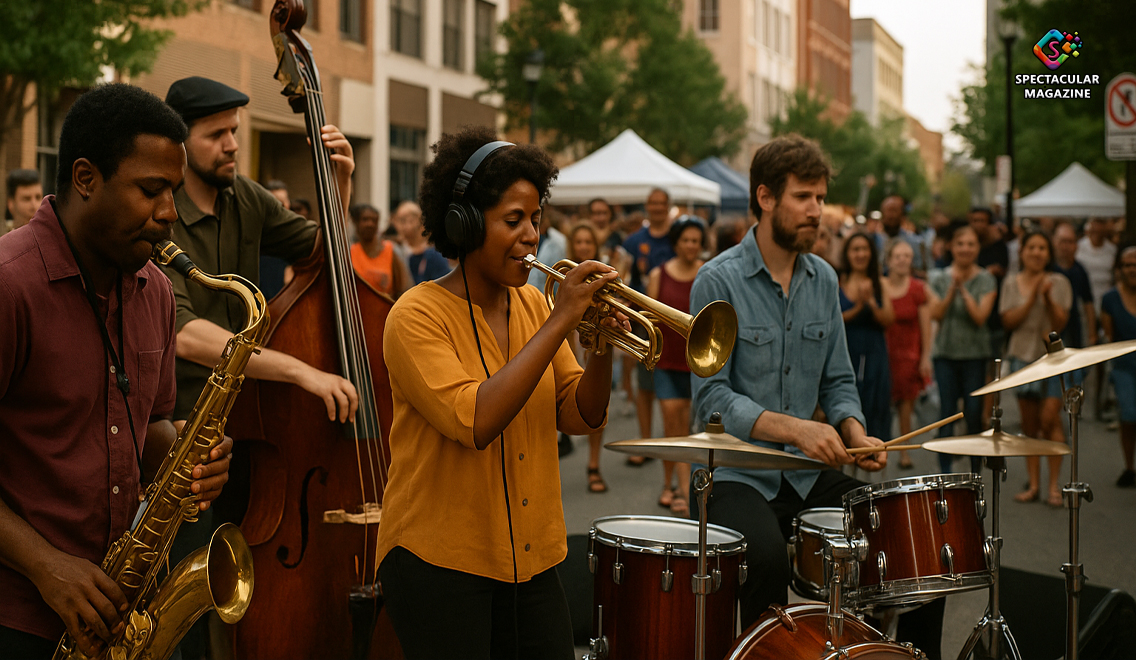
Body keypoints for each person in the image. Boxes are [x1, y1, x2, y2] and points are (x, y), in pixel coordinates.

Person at [0, 84, 233, 659]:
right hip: (21, 618)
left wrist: (188, 456)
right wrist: (49, 568)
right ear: (85, 178)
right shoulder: (10, 285)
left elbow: (148, 424)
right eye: (150, 191)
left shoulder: (153, 289)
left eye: (173, 193)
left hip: (125, 613)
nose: (169, 215)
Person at [690, 134, 944, 657]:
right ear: (765, 197)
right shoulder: (716, 279)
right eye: (805, 197)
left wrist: (853, 430)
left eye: (821, 198)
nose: (818, 211)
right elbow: (711, 398)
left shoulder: (824, 279)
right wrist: (796, 428)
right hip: (739, 474)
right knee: (764, 562)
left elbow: (838, 380)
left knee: (917, 550)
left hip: (807, 475)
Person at [376, 126, 619, 659]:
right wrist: (561, 321)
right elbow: (475, 420)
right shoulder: (414, 315)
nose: (531, 235)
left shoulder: (534, 306)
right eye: (513, 221)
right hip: (438, 561)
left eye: (535, 219)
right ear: (462, 225)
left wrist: (600, 343)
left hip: (531, 556)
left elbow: (579, 415)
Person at [1000, 231, 1072, 507]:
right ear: (1022, 252)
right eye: (1032, 247)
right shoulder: (1011, 281)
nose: (1037, 252)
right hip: (1021, 356)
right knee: (1030, 425)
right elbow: (1008, 321)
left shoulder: (1060, 282)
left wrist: (1048, 298)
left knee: (1050, 419)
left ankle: (1054, 486)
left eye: (1042, 248)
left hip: (1052, 359)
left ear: (1048, 253)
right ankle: (1034, 485)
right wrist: (1032, 298)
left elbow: (1061, 323)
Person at [647, 216, 707, 516]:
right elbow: (648, 316)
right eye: (686, 240)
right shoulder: (659, 273)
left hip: (697, 364)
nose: (691, 246)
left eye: (696, 241)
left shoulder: (707, 274)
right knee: (672, 423)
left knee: (689, 427)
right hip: (667, 360)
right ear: (676, 243)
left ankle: (683, 485)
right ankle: (672, 484)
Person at [927, 223, 998, 474]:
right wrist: (950, 290)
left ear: (978, 248)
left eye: (970, 244)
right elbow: (936, 314)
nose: (965, 249)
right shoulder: (937, 277)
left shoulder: (986, 279)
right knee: (947, 412)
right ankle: (945, 472)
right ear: (951, 247)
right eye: (960, 244)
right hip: (945, 354)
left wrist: (963, 291)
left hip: (975, 356)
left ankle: (973, 472)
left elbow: (980, 317)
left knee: (974, 413)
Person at [621, 188, 677, 465]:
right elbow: (624, 278)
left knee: (674, 388)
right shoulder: (634, 242)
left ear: (668, 206)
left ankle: (672, 447)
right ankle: (646, 444)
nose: (656, 208)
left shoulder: (677, 236)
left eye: (661, 203)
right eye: (652, 203)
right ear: (647, 207)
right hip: (644, 322)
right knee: (644, 387)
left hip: (674, 320)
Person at [562, 222, 611, 493]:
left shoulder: (606, 274)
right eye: (578, 242)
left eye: (587, 242)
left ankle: (594, 464)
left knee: (596, 403)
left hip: (594, 345)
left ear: (595, 246)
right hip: (569, 344)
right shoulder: (563, 276)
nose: (582, 246)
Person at [839, 232, 895, 441]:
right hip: (846, 350)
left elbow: (889, 320)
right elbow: (835, 319)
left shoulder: (880, 283)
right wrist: (859, 306)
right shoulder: (838, 281)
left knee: (876, 405)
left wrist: (871, 302)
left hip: (874, 351)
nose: (860, 254)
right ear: (848, 254)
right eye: (855, 249)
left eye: (865, 249)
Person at [883, 239, 933, 469]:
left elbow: (926, 325)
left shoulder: (917, 288)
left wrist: (925, 357)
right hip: (884, 352)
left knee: (906, 407)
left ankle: (903, 451)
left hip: (909, 354)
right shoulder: (880, 285)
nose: (903, 260)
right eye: (898, 256)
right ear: (889, 260)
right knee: (881, 403)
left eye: (907, 256)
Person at [1100, 246, 1136, 488]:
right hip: (1124, 365)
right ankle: (1129, 466)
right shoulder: (1110, 299)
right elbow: (1110, 338)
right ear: (1119, 269)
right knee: (1129, 414)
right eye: (1127, 265)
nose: (1132, 269)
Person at [349, 202, 410, 297]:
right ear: (356, 223)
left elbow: (405, 288)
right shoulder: (350, 252)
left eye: (374, 220)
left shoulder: (392, 250)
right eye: (365, 219)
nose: (370, 224)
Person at [1052, 221, 1096, 349]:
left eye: (1070, 242)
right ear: (1054, 242)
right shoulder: (1048, 268)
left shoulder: (1080, 270)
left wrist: (1092, 333)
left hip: (1075, 325)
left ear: (1076, 245)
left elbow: (1088, 302)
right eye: (1062, 241)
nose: (1066, 246)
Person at [390, 199, 451, 284]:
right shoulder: (395, 249)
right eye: (399, 221)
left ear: (418, 221)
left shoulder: (433, 254)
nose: (399, 226)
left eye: (404, 220)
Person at [874, 195, 925, 277]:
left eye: (895, 210)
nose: (891, 216)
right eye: (888, 210)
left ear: (902, 214)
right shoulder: (873, 240)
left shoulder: (914, 242)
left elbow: (921, 271)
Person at [3, 169, 42, 235]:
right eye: (27, 199)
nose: (34, 206)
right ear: (11, 204)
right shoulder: (5, 243)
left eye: (38, 198)